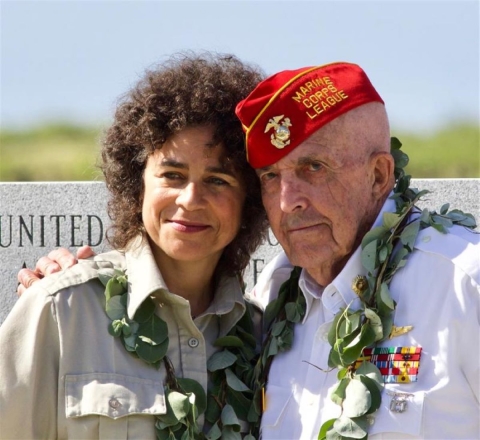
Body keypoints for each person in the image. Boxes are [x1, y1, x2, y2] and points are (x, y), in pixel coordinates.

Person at [15, 62, 480, 440]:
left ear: (379, 175)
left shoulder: (463, 282)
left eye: (313, 167)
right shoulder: (272, 305)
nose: (287, 201)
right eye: (271, 177)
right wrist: (57, 291)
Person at [0, 52, 269, 439]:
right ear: (136, 183)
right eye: (172, 175)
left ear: (250, 199)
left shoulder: (263, 336)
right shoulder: (62, 311)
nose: (191, 199)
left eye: (218, 180)